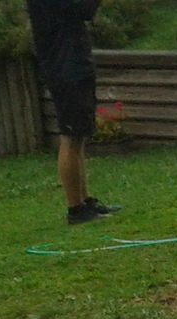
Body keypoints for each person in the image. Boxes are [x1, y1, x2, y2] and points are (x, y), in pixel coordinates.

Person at [24, 0, 120, 224]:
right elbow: (83, 9)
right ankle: (75, 209)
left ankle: (85, 201)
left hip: (72, 61)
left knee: (78, 136)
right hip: (65, 66)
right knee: (70, 135)